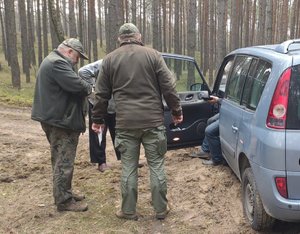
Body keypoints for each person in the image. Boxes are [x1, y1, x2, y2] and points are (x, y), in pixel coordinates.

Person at [91, 23, 183, 220]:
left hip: (125, 123)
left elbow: (101, 95)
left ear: (119, 39)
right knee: (156, 165)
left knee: (128, 167)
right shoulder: (153, 55)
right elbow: (168, 86)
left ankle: (128, 210)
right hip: (152, 121)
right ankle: (161, 209)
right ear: (138, 36)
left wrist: (97, 118)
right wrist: (176, 111)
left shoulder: (109, 60)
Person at [31, 38, 91, 212]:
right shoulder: (58, 63)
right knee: (63, 161)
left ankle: (65, 192)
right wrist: (89, 87)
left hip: (56, 118)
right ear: (69, 51)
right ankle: (64, 201)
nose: (77, 61)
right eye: (78, 56)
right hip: (61, 121)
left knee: (60, 159)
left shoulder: (52, 60)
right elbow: (78, 86)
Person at [78, 60, 121, 172]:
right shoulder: (106, 62)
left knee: (120, 132)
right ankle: (101, 162)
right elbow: (83, 71)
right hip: (98, 103)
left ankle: (126, 159)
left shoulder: (129, 64)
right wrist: (93, 89)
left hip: (116, 105)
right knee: (99, 133)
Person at [191, 95, 225, 166]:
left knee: (209, 131)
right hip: (227, 111)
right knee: (210, 120)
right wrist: (219, 99)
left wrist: (218, 100)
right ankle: (205, 150)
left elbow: (233, 104)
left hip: (232, 114)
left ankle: (217, 159)